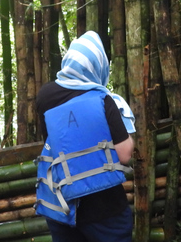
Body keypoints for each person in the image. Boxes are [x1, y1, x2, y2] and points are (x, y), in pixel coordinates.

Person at [35, 31, 136, 242]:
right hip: (102, 207)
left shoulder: (44, 96)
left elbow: (54, 140)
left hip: (60, 205)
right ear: (98, 66)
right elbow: (124, 154)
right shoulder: (103, 99)